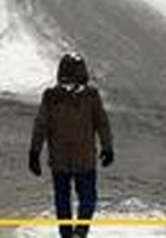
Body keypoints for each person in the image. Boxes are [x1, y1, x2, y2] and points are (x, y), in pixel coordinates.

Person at [29, 53, 113, 238]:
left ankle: (68, 234)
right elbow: (102, 122)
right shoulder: (91, 96)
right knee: (87, 198)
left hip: (61, 159)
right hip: (84, 159)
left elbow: (41, 125)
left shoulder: (51, 97)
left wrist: (34, 152)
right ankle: (80, 232)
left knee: (63, 200)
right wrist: (107, 147)